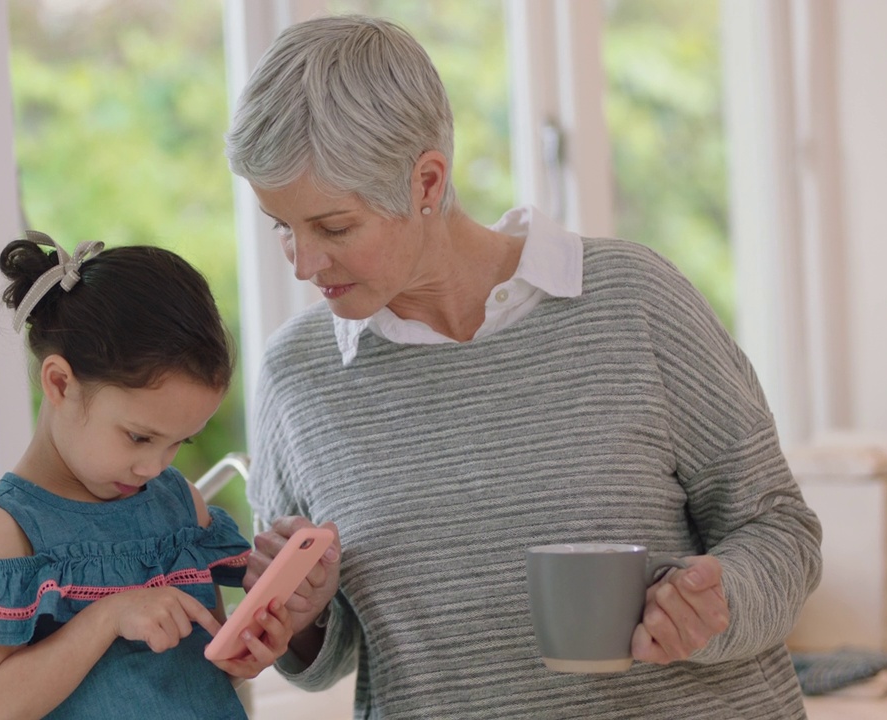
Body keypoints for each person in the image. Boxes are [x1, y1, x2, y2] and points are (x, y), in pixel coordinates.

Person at [225, 14, 823, 719]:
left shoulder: (633, 301)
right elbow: (333, 652)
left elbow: (779, 529)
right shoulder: (301, 376)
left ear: (426, 181)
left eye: (333, 227)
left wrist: (720, 601)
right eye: (281, 228)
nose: (303, 264)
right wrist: (302, 617)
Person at [0, 233, 294, 719]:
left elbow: (193, 677)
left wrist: (242, 655)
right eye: (138, 437)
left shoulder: (179, 503)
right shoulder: (7, 529)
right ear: (60, 383)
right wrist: (109, 616)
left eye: (179, 442)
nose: (155, 467)